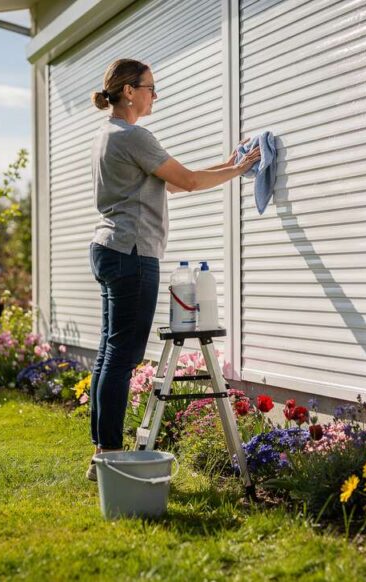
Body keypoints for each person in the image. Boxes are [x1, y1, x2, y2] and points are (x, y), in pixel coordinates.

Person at [85, 58, 260, 479]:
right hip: (132, 255)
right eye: (150, 87)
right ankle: (108, 456)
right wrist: (239, 169)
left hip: (108, 249)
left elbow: (176, 180)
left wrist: (229, 163)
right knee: (122, 357)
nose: (154, 95)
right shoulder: (134, 136)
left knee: (110, 352)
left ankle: (101, 453)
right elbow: (188, 183)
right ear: (129, 91)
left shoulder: (108, 135)